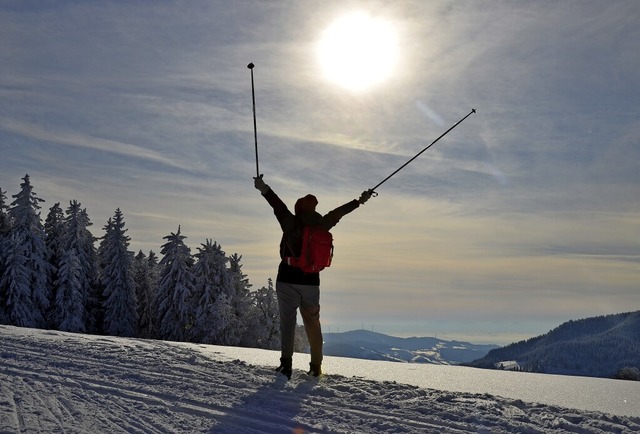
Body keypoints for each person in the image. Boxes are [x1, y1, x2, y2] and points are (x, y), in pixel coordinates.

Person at [254, 174, 371, 379]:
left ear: (298, 208)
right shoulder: (322, 224)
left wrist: (263, 188)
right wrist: (359, 201)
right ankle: (316, 367)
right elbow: (338, 213)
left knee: (288, 322)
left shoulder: (290, 222)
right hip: (311, 282)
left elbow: (278, 205)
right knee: (313, 324)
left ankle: (286, 365)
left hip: (287, 279)